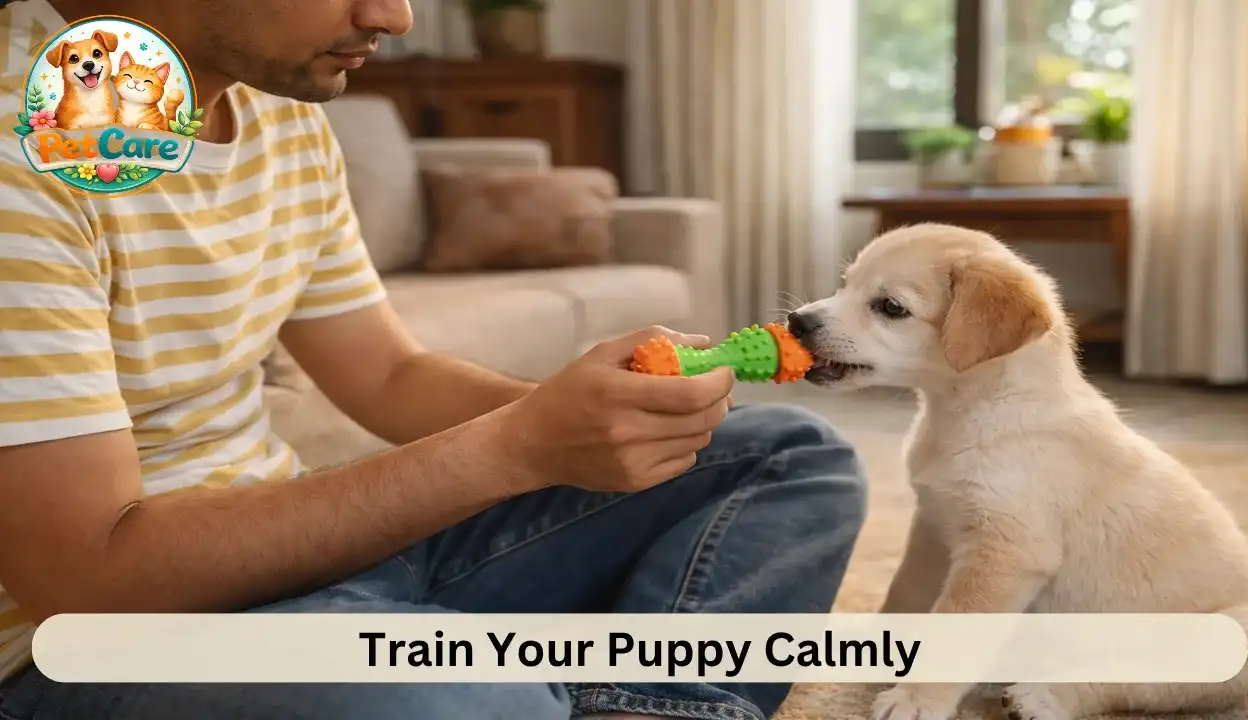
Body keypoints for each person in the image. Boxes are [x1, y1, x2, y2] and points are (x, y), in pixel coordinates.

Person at [0, 0, 868, 717]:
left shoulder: (277, 114)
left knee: (788, 457)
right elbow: (88, 578)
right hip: (91, 644)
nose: (397, 16)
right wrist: (514, 448)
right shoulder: (21, 145)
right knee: (473, 702)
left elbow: (387, 374)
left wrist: (578, 414)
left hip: (319, 561)